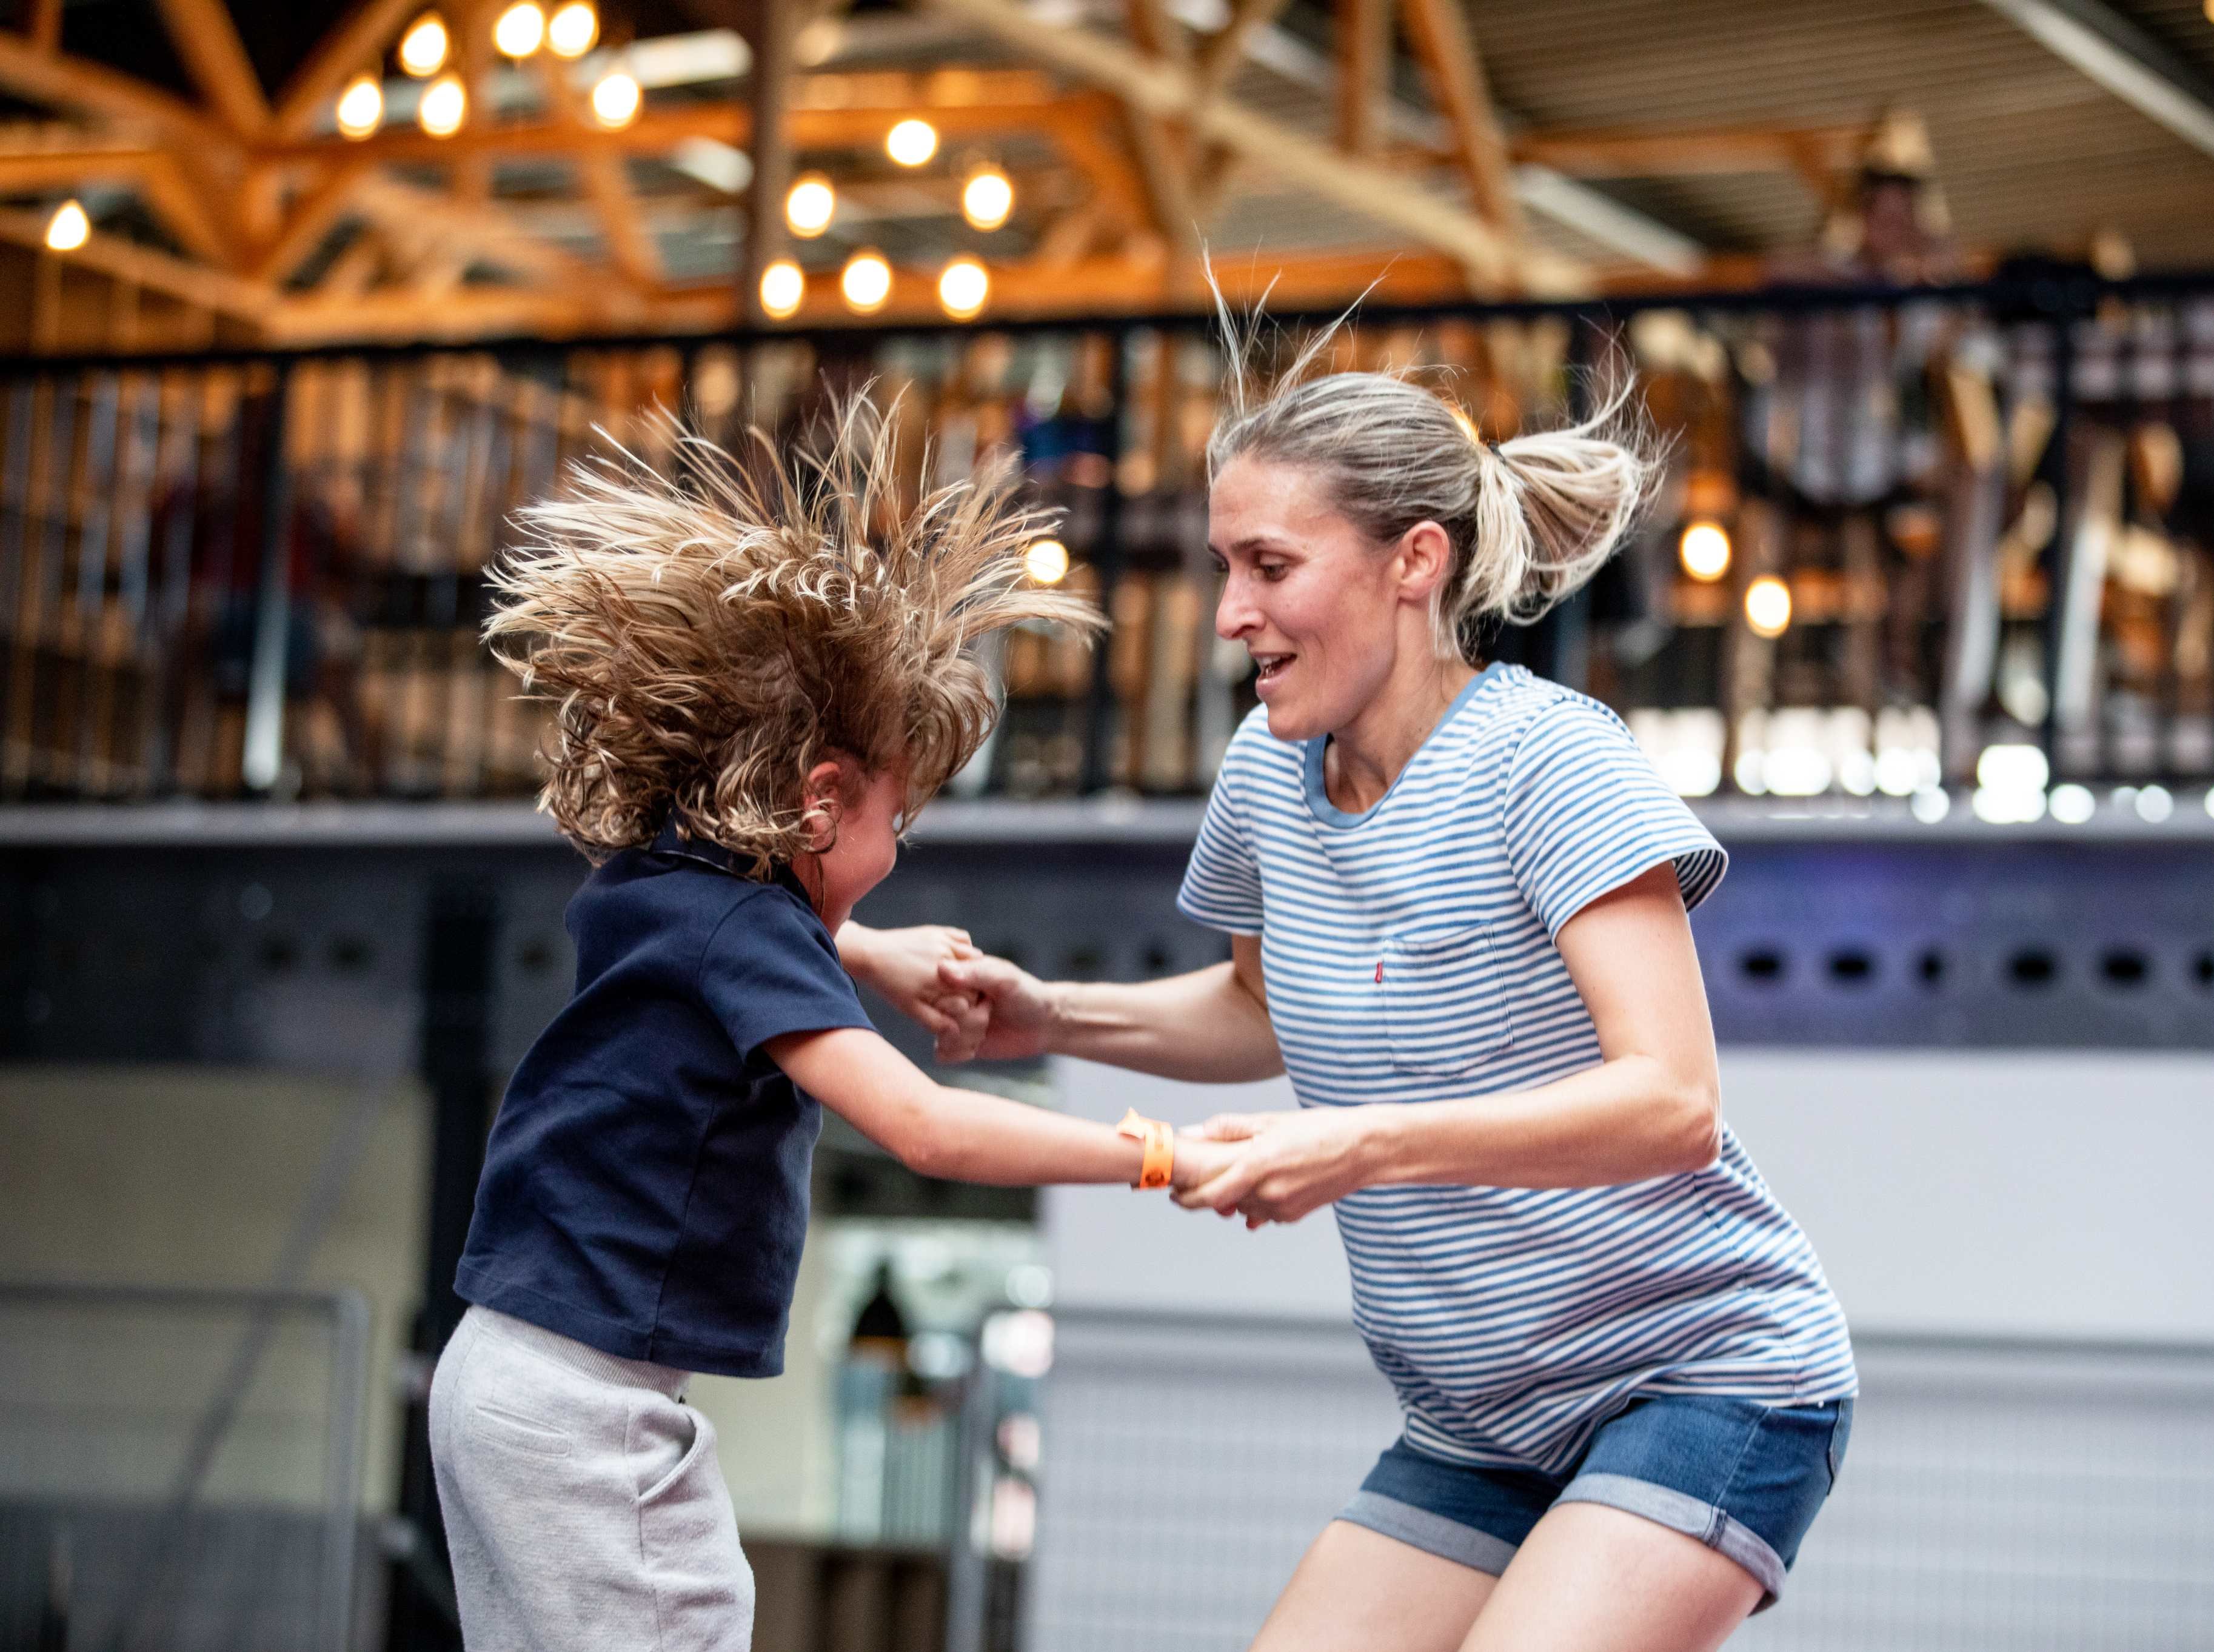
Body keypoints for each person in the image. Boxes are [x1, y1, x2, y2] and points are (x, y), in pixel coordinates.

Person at [942, 335, 1858, 1651]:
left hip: (1702, 1374)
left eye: (1270, 567)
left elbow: (1672, 1103)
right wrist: (1056, 1014)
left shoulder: (1549, 761)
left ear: (1412, 563)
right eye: (1224, 569)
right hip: (1481, 1414)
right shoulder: (1268, 770)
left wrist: (1361, 1144)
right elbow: (1265, 1010)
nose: (1228, 615)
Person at [426, 409, 1237, 1651]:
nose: (899, 852)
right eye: (895, 821)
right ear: (819, 805)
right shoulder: (742, 931)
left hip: (498, 1377)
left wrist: (867, 950)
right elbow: (924, 1128)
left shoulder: (660, 881)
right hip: (589, 1408)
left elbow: (716, 945)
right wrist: (1152, 1153)